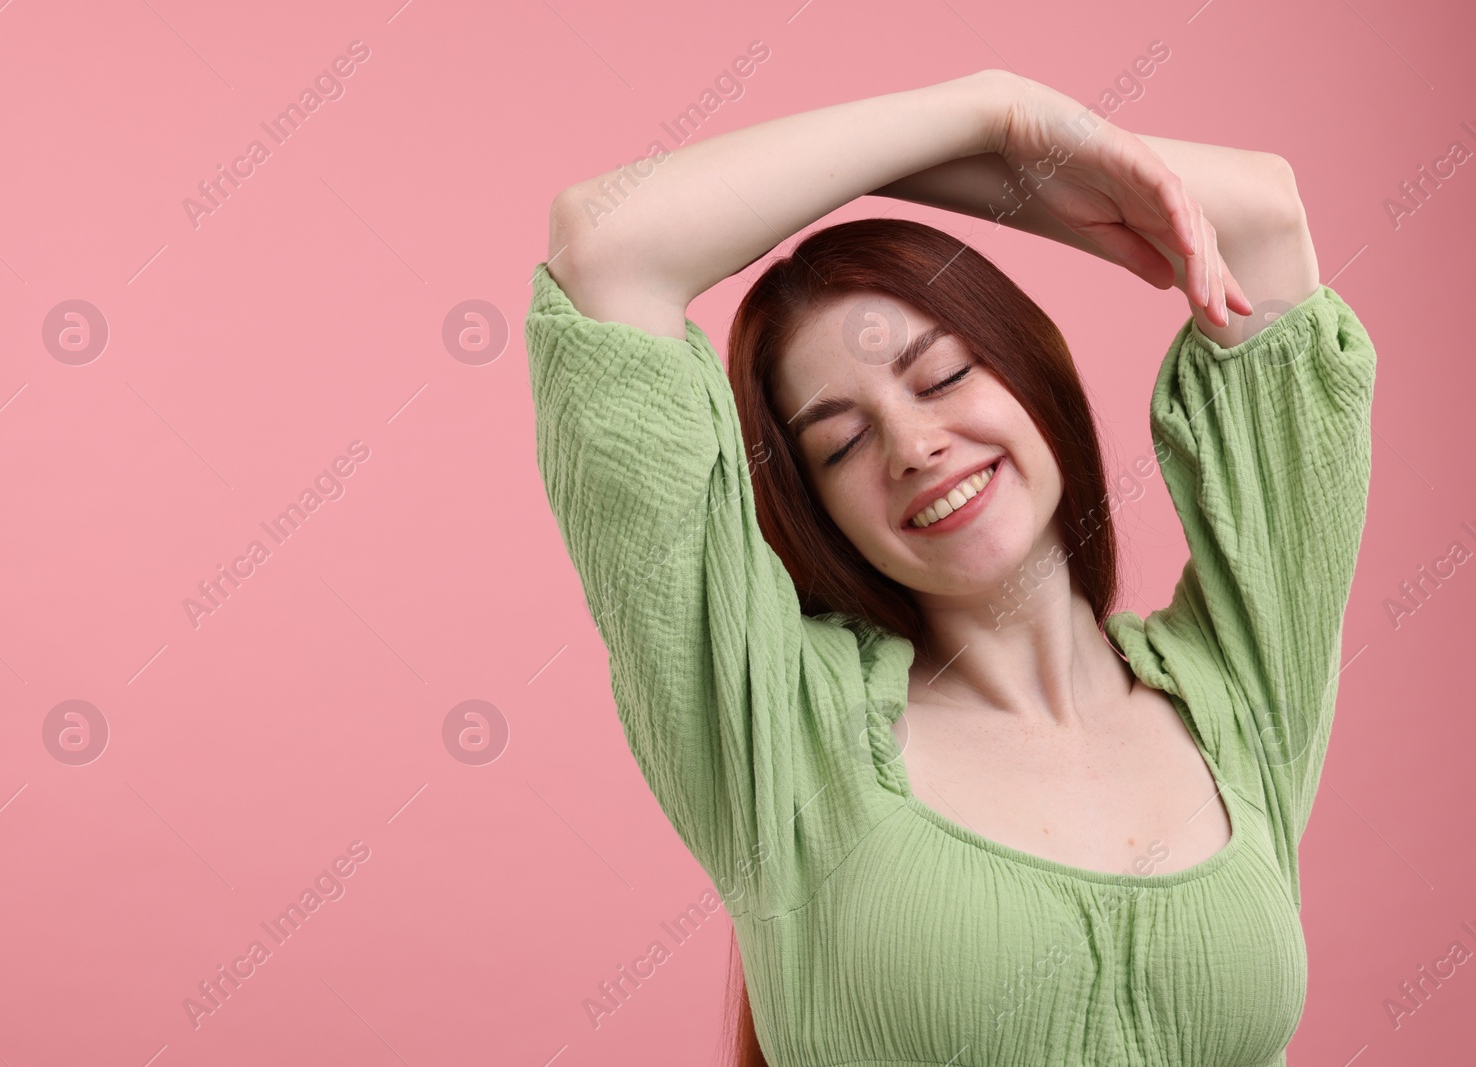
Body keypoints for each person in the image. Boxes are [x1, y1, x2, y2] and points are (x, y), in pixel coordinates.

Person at [525, 68, 1375, 1067]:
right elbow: (609, 243)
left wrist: (1022, 170)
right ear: (816, 511)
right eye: (841, 445)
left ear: (1031, 370)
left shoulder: (1237, 690)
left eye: (944, 375)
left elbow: (1262, 224)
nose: (915, 444)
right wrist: (986, 112)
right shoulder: (778, 729)